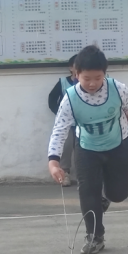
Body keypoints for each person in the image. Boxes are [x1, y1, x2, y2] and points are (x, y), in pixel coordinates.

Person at [47, 45, 128, 254]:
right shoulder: (70, 98)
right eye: (86, 78)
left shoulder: (117, 89)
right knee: (87, 192)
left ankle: (105, 198)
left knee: (118, 194)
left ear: (105, 75)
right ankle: (95, 236)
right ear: (76, 74)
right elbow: (60, 129)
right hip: (87, 149)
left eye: (98, 78)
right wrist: (53, 161)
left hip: (118, 145)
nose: (92, 83)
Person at [47, 54, 79, 186]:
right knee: (65, 149)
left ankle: (83, 176)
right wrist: (60, 113)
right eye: (76, 66)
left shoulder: (90, 83)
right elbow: (51, 99)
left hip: (84, 124)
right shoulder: (63, 82)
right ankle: (65, 174)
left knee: (82, 150)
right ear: (71, 68)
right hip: (67, 124)